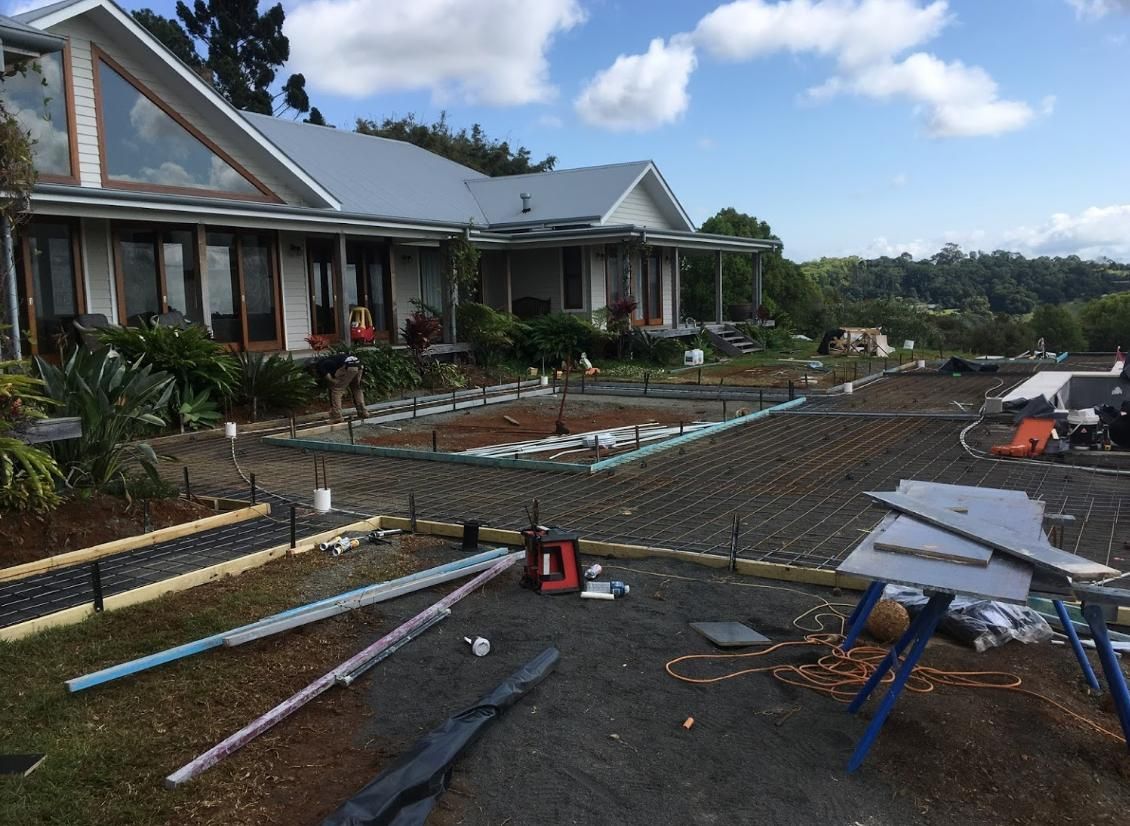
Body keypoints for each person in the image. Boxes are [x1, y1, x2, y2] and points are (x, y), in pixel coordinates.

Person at [310, 353, 366, 422]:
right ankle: (362, 411)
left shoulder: (320, 366)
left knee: (337, 390)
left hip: (348, 365)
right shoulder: (329, 361)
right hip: (358, 364)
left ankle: (337, 416)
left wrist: (336, 383)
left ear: (313, 368)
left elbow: (331, 380)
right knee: (356, 388)